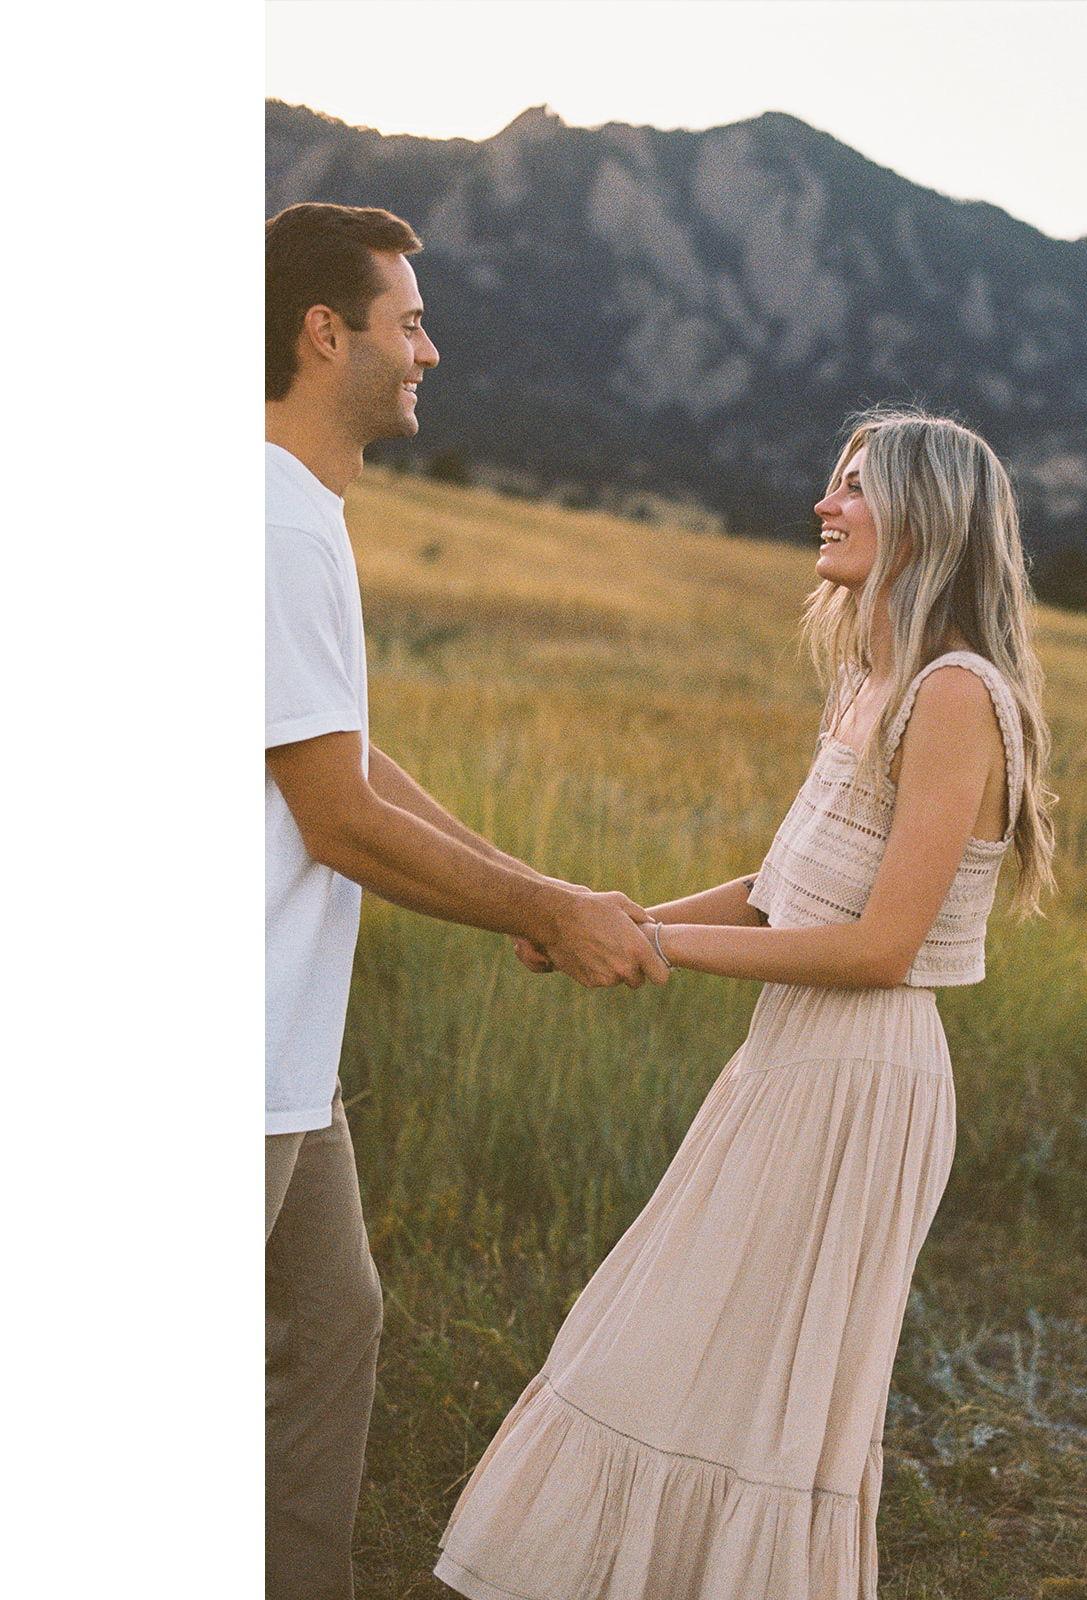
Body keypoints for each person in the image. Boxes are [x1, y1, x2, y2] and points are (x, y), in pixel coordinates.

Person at [434, 410, 1058, 1600]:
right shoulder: (868, 682)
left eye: (856, 486)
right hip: (789, 1057)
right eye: (833, 481)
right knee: (674, 1347)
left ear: (927, 516)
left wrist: (652, 942)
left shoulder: (954, 695)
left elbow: (881, 948)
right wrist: (594, 920)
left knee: (761, 1388)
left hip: (862, 1075)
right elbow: (780, 894)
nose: (825, 504)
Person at [264, 201, 668, 1600]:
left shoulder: (299, 513)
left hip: (287, 1052)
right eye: (412, 323)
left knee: (334, 1325)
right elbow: (337, 819)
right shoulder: (270, 522)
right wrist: (550, 913)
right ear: (328, 335)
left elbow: (346, 757)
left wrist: (530, 892)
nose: (430, 350)